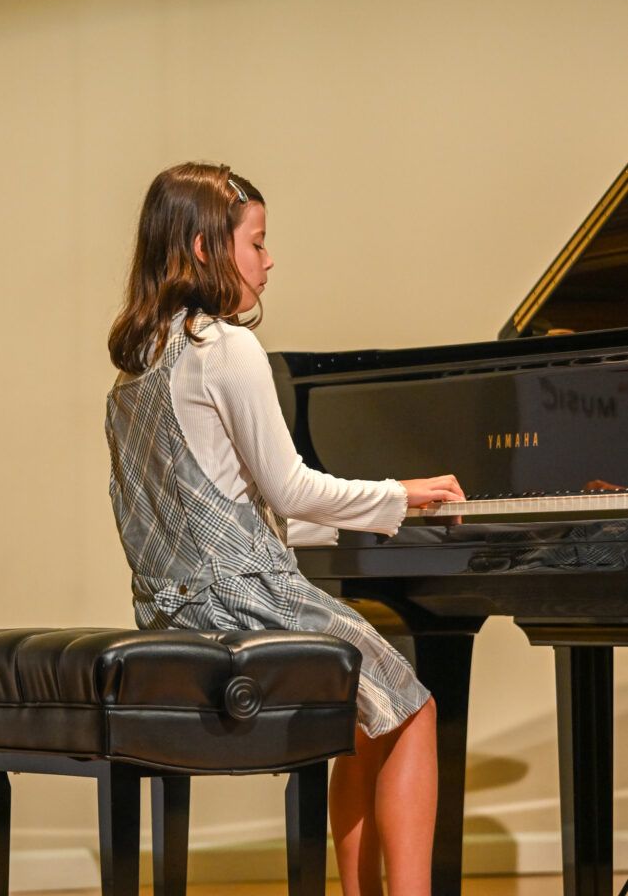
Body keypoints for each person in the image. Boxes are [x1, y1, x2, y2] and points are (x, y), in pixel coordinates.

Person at [106, 162, 465, 896]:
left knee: (368, 713)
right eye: (258, 242)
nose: (269, 262)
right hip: (247, 604)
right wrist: (398, 495)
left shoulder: (136, 372)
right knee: (415, 709)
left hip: (171, 616)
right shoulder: (224, 346)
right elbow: (288, 487)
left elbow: (229, 513)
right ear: (206, 248)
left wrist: (370, 522)